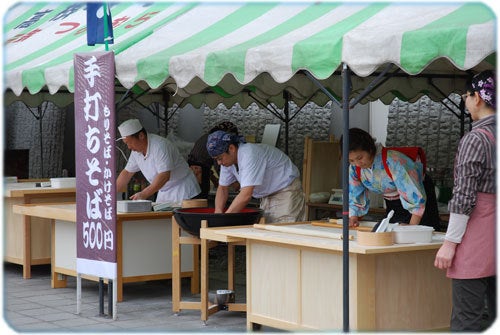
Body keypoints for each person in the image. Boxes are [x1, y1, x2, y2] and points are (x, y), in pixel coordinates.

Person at [434, 70, 496, 331]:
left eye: (466, 96)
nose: (465, 101)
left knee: (466, 321)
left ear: (478, 98)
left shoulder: (475, 139)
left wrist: (449, 243)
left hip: (476, 238)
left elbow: (464, 196)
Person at [340, 128, 440, 229]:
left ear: (369, 149)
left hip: (418, 197)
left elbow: (415, 197)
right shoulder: (354, 168)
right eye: (351, 160)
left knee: (421, 235)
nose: (357, 164)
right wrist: (353, 217)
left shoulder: (395, 161)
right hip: (393, 203)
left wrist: (411, 227)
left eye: (360, 158)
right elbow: (354, 194)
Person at [206, 130, 305, 223]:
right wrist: (218, 213)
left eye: (220, 158)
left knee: (284, 233)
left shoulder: (249, 154)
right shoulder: (227, 161)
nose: (219, 163)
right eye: (216, 159)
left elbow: (245, 195)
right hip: (267, 195)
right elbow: (222, 188)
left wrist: (224, 220)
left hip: (286, 191)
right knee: (267, 233)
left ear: (231, 148)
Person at [116, 119, 201, 204]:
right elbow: (127, 173)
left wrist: (144, 194)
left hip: (184, 190)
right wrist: (110, 194)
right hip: (164, 192)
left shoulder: (160, 146)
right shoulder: (136, 152)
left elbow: (164, 175)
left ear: (141, 136)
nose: (129, 147)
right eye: (126, 144)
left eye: (129, 143)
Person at [187, 121, 239, 198]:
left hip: (197, 166)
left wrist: (215, 181)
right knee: (200, 195)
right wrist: (236, 185)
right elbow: (219, 166)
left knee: (196, 193)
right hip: (198, 168)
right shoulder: (216, 141)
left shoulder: (208, 137)